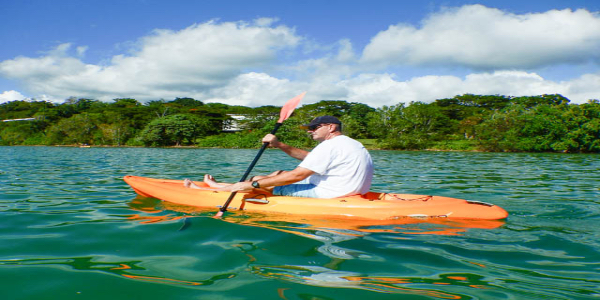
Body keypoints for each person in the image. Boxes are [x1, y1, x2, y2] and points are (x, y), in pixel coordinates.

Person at [185, 115, 374, 198]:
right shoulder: (347, 143)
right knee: (278, 172)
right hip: (345, 188)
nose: (310, 131)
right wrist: (278, 144)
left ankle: (210, 191)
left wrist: (253, 185)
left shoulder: (330, 146)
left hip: (330, 193)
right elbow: (311, 158)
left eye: (314, 128)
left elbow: (297, 176)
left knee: (260, 180)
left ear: (331, 127)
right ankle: (221, 186)